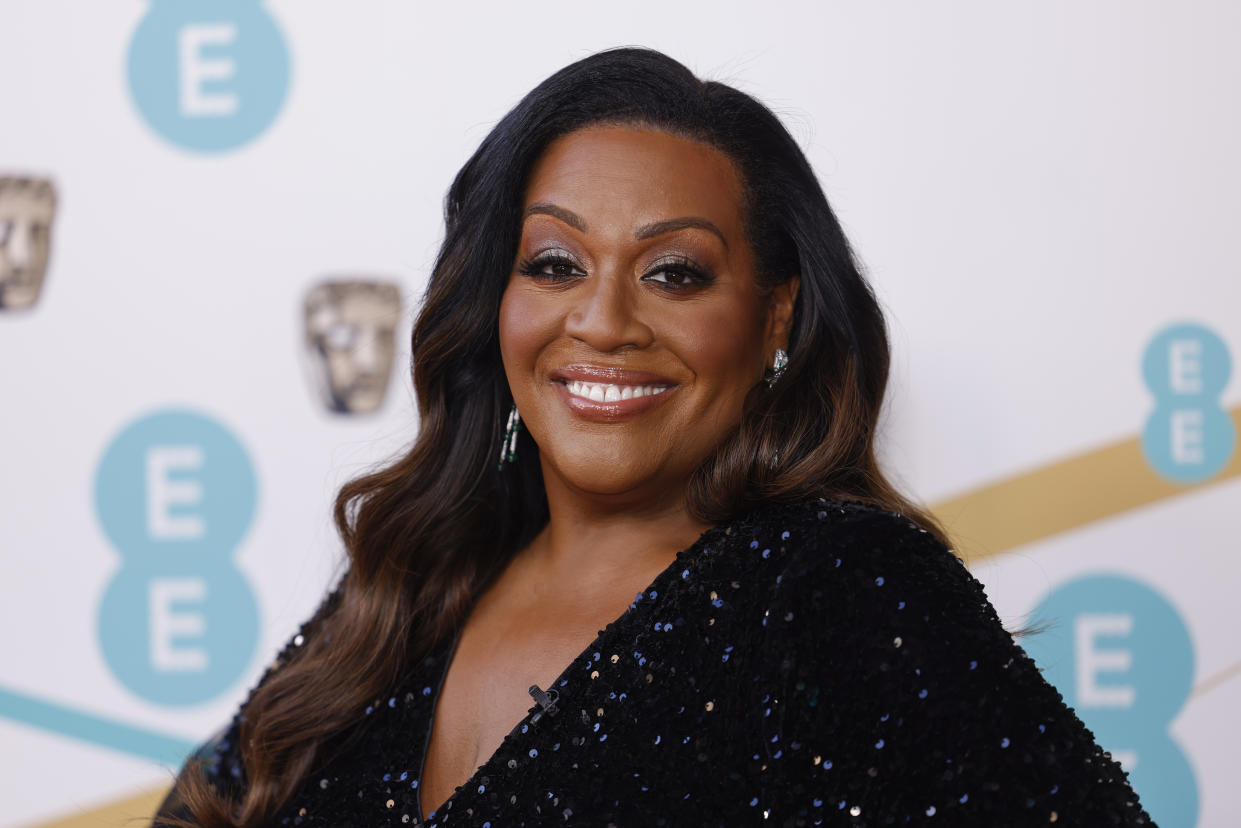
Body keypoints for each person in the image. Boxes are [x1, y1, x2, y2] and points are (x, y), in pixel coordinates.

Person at [155, 47, 1153, 827]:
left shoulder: (835, 589)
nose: (600, 321)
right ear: (490, 299)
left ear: (774, 319)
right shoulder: (410, 583)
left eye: (673, 273)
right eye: (552, 264)